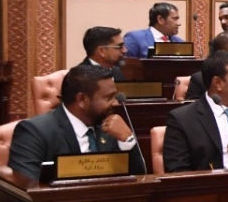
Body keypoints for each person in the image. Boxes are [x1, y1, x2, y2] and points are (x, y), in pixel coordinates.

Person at [8, 63, 146, 180]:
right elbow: (28, 188)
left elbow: (140, 179)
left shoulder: (111, 127)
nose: (115, 103)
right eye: (108, 97)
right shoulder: (34, 131)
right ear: (81, 100)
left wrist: (127, 140)